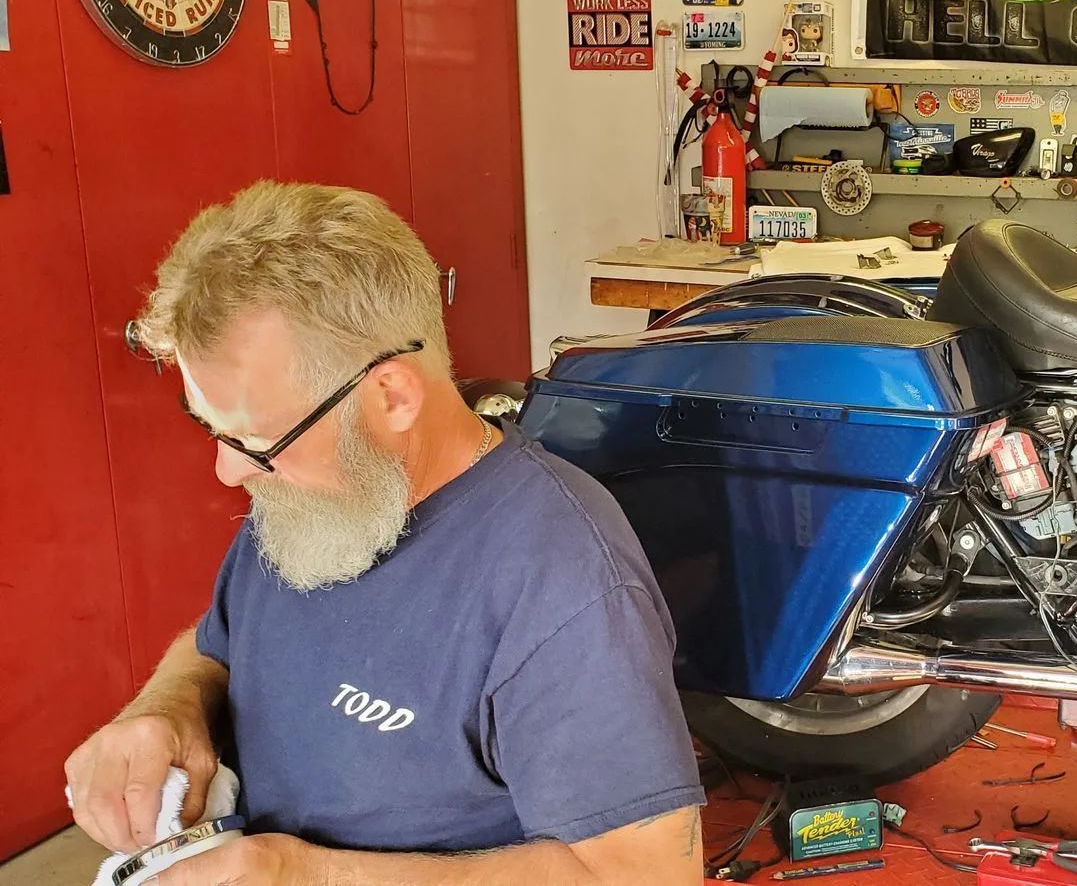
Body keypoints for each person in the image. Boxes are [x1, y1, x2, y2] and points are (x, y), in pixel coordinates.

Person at [63, 181, 704, 884]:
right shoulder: (315, 495)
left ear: (392, 396)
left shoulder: (564, 583)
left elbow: (644, 876)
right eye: (211, 427)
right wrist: (168, 707)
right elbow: (224, 641)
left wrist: (307, 875)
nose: (227, 470)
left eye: (253, 439)